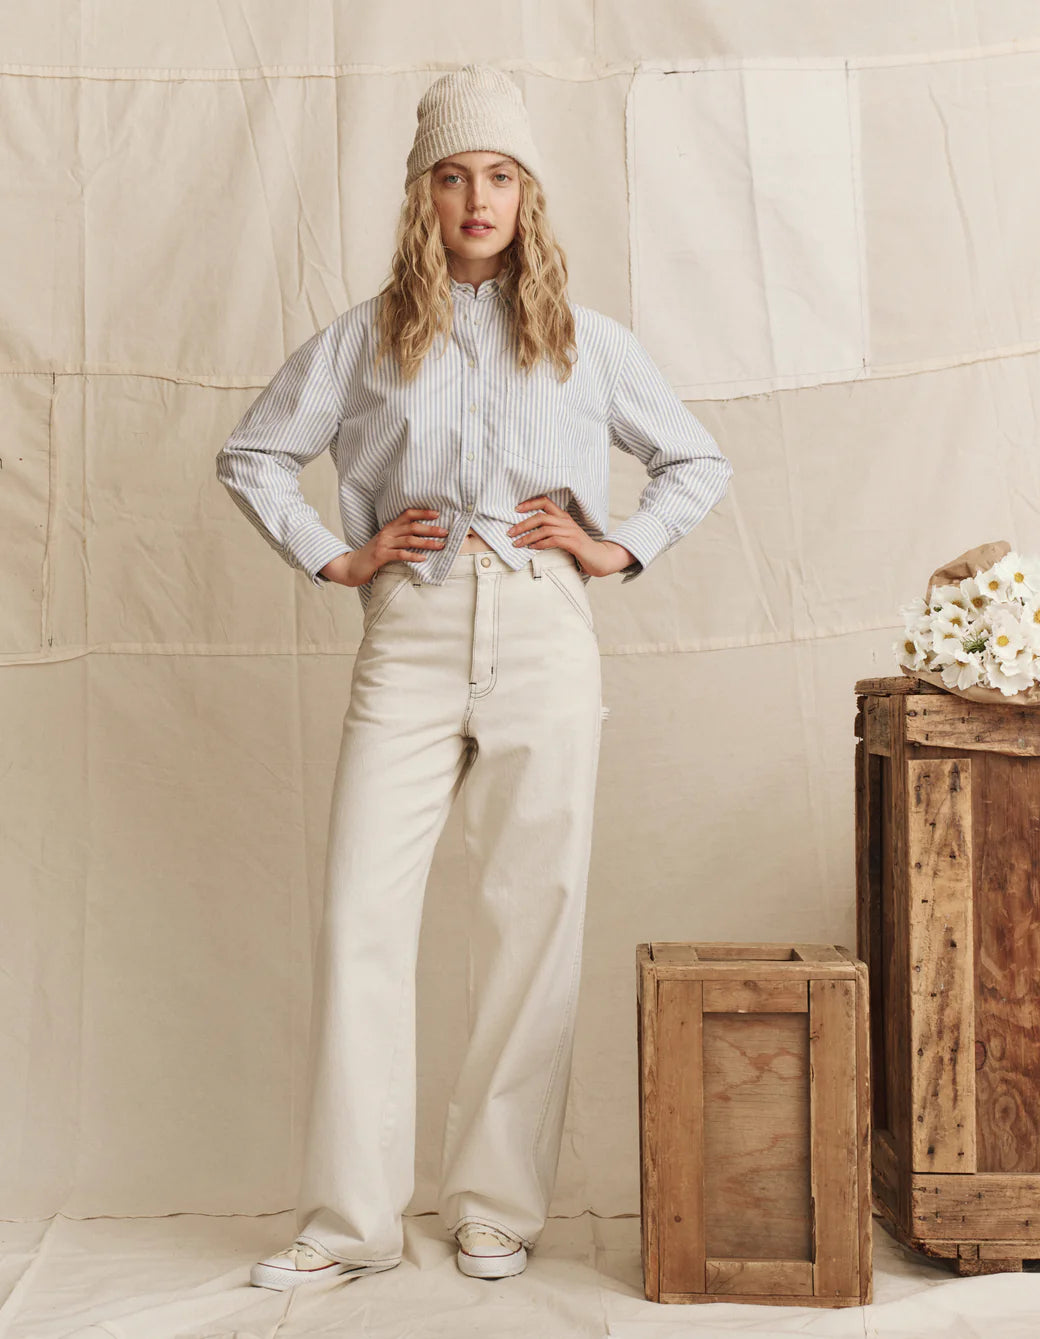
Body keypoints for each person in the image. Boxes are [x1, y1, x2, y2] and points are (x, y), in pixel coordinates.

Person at [215, 63, 733, 1291]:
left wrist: (616, 548)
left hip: (548, 629)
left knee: (532, 919)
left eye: (499, 175)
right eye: (453, 176)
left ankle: (495, 1204)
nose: (477, 198)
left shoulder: (586, 341)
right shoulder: (367, 335)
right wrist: (341, 556)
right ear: (422, 195)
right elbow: (252, 453)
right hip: (413, 627)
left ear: (528, 193)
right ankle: (349, 1223)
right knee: (361, 920)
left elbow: (694, 459)